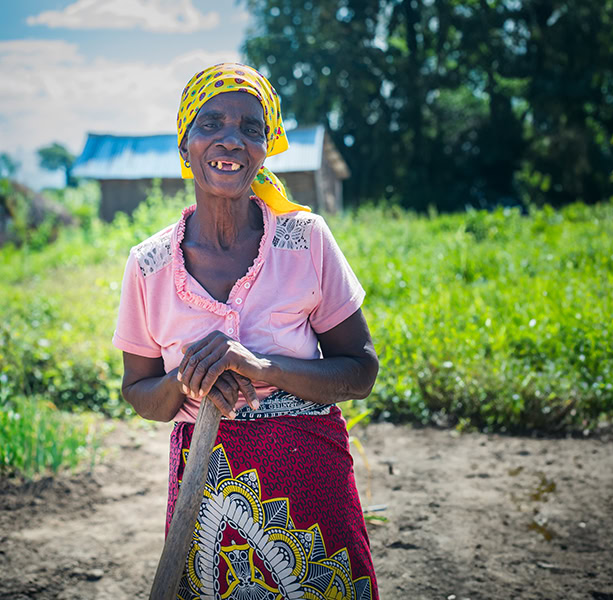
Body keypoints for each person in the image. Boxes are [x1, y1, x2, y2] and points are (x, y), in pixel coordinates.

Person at [112, 62, 380, 600]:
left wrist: (262, 367)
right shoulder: (149, 265)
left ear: (266, 147)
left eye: (250, 128)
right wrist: (188, 379)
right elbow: (139, 392)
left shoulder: (306, 239)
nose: (231, 140)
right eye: (211, 124)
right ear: (185, 144)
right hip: (204, 485)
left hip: (311, 477)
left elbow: (360, 372)